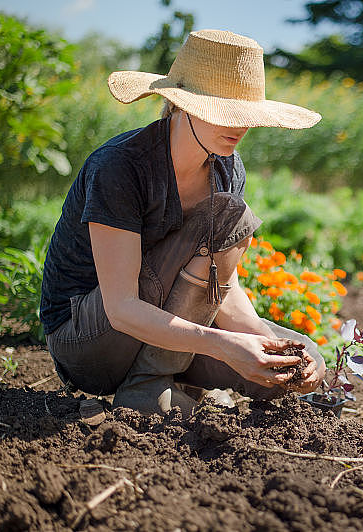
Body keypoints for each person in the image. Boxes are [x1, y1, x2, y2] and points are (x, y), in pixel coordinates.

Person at [39, 29, 326, 417]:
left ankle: (164, 382)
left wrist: (267, 342)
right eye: (225, 111)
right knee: (229, 215)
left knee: (295, 358)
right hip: (90, 340)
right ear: (183, 105)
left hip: (161, 335)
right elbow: (121, 308)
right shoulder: (122, 166)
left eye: (247, 114)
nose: (240, 126)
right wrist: (223, 344)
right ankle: (147, 387)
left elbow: (219, 286)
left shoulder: (226, 167)